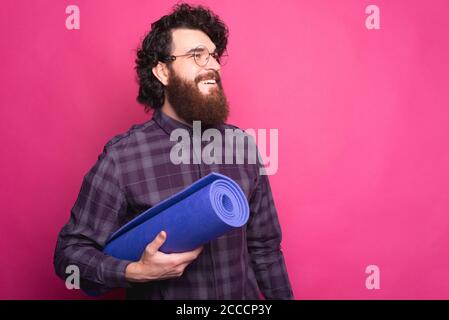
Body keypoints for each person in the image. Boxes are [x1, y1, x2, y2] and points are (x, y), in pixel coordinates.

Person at [54, 2, 293, 300]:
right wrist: (133, 271)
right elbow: (70, 257)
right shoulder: (122, 157)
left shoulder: (242, 146)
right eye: (197, 56)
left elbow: (265, 250)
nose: (214, 66)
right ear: (163, 72)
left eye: (215, 56)